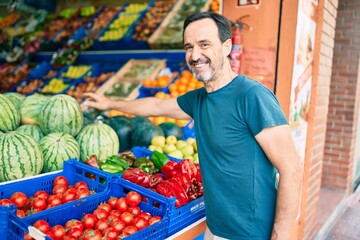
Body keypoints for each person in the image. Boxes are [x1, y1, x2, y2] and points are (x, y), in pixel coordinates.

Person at [84, 12, 303, 240]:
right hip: (216, 230)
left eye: (204, 44)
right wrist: (110, 103)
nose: (195, 55)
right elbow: (157, 106)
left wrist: (281, 234)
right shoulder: (199, 99)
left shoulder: (252, 96)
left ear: (227, 47)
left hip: (252, 234)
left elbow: (292, 169)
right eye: (189, 47)